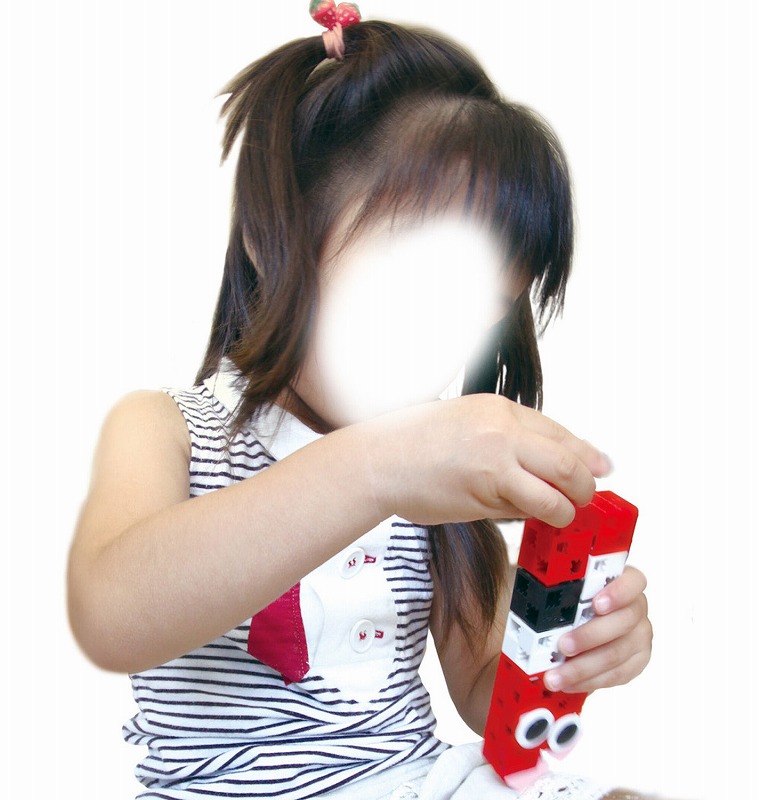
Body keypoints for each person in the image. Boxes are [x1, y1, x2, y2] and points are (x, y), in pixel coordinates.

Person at [67, 11, 653, 800]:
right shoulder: (168, 429)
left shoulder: (437, 485)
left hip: (411, 779)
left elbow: (486, 694)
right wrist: (378, 468)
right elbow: (111, 617)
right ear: (275, 234)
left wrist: (566, 647)